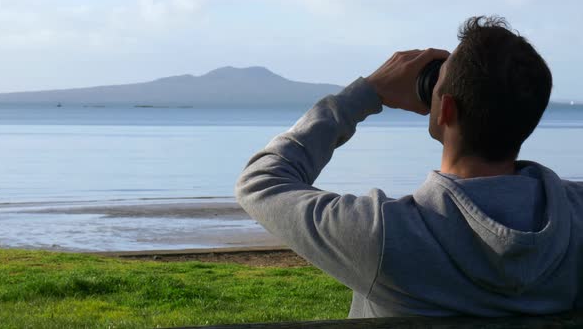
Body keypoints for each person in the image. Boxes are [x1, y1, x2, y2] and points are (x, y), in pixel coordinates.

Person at [235, 16, 583, 317]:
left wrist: (365, 93)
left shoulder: (384, 234)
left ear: (445, 111)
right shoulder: (575, 215)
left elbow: (260, 182)